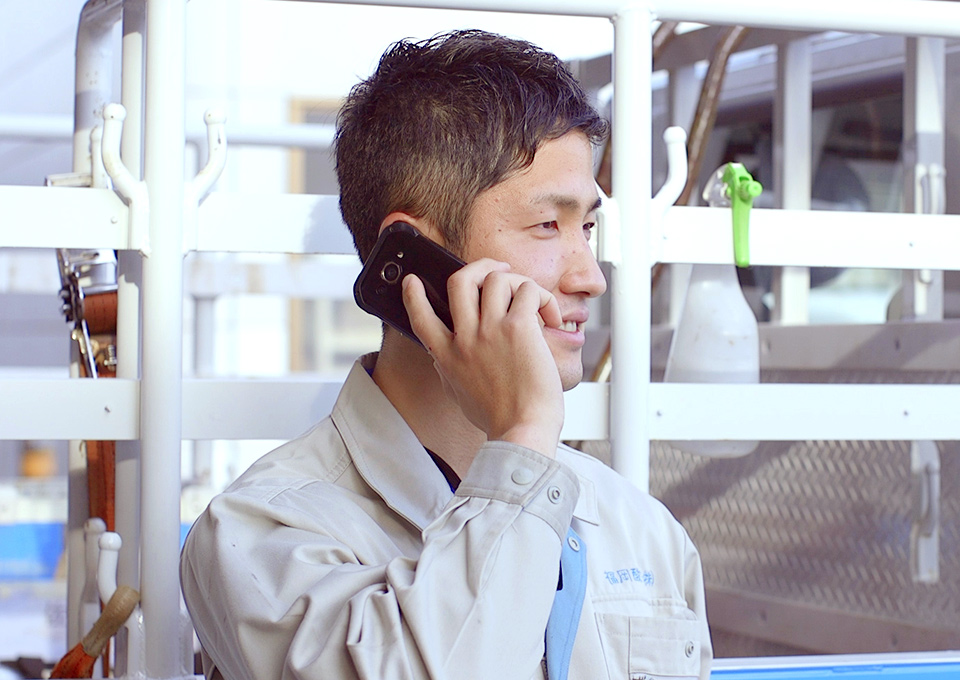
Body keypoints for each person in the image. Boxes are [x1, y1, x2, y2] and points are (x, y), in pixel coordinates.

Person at [181, 29, 712, 680]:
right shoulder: (262, 536)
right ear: (414, 258)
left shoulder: (643, 532)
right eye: (548, 225)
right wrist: (521, 436)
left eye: (589, 227)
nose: (590, 277)